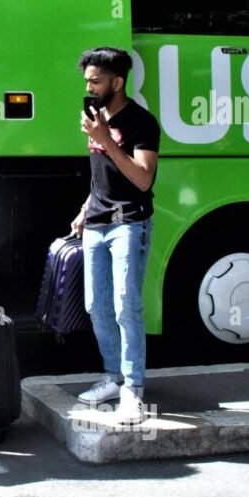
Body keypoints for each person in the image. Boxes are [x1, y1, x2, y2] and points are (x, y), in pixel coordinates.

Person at [70, 47, 160, 424]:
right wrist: (84, 209)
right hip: (97, 222)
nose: (89, 87)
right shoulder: (98, 119)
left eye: (95, 81)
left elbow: (143, 178)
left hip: (129, 223)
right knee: (97, 307)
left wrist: (105, 138)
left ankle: (133, 390)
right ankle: (113, 376)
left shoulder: (141, 122)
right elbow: (102, 175)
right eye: (87, 80)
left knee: (127, 306)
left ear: (117, 82)